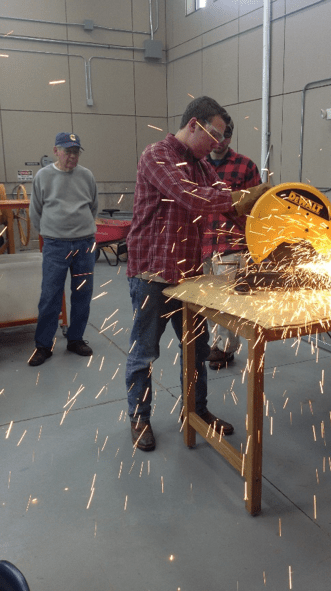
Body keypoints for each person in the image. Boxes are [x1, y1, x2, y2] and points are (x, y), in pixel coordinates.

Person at [125, 96, 270, 451]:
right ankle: (139, 417)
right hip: (152, 274)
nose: (218, 144)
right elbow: (189, 196)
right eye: (214, 135)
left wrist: (269, 234)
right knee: (145, 352)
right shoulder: (156, 155)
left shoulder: (202, 164)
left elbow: (228, 206)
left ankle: (197, 410)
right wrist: (242, 197)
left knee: (196, 348)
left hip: (189, 277)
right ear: (194, 125)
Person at [28, 132, 98, 366]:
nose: (72, 156)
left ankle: (75, 339)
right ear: (56, 151)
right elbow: (35, 211)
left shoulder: (86, 176)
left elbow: (93, 207)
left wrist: (82, 231)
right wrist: (52, 233)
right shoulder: (43, 176)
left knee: (82, 294)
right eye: (67, 151)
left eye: (76, 151)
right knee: (50, 295)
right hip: (55, 245)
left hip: (84, 244)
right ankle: (43, 345)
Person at [203, 116, 263, 370]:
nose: (219, 141)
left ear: (231, 136)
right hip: (201, 243)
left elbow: (258, 207)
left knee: (227, 300)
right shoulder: (196, 166)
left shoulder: (245, 166)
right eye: (215, 135)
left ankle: (222, 349)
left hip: (232, 244)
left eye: (225, 136)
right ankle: (214, 344)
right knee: (206, 300)